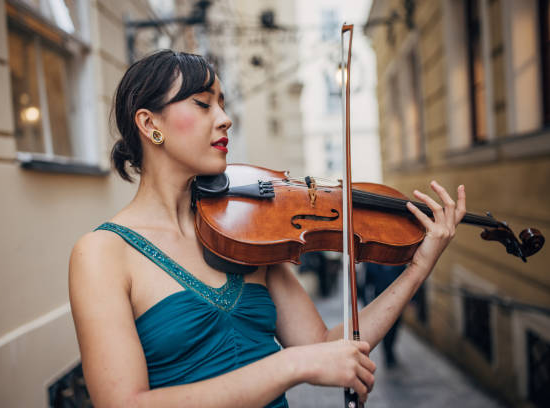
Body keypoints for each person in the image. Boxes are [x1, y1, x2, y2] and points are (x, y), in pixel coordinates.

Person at [68, 50, 466, 408]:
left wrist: (417, 269)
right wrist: (290, 365)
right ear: (149, 123)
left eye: (223, 105)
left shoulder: (245, 235)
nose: (225, 119)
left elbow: (328, 348)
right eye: (203, 104)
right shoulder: (102, 253)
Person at [362, 263, 407, 368]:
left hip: (397, 302)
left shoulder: (399, 262)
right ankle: (388, 354)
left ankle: (390, 349)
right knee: (385, 330)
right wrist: (366, 303)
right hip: (380, 303)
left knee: (395, 328)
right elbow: (367, 284)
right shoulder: (371, 265)